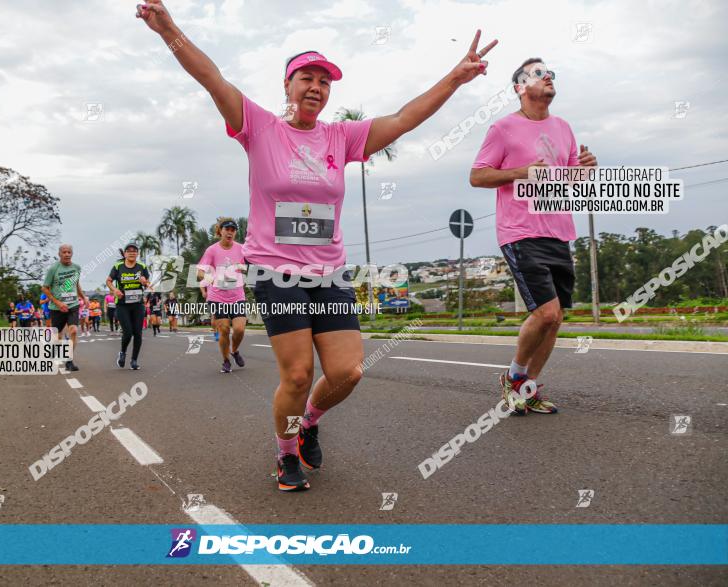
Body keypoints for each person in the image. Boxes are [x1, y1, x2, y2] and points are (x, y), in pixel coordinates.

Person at [137, 1, 496, 491]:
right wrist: (168, 29)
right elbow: (212, 78)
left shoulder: (341, 137)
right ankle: (285, 454)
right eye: (307, 78)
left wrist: (455, 78)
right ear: (288, 85)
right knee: (299, 373)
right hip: (274, 271)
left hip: (329, 273)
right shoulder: (260, 128)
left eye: (324, 82)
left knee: (348, 371)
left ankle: (308, 423)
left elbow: (406, 117)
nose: (316, 88)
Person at [470, 57, 597, 415]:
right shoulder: (502, 129)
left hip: (559, 231)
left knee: (556, 319)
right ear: (520, 88)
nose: (549, 77)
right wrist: (520, 172)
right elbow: (477, 176)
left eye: (551, 73)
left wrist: (583, 170)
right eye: (540, 73)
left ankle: (526, 389)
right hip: (520, 232)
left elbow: (568, 180)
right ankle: (513, 378)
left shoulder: (564, 128)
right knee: (545, 313)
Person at [197, 218, 246, 373]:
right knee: (224, 329)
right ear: (220, 231)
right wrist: (212, 278)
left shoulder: (241, 249)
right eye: (227, 229)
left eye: (233, 230)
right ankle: (226, 360)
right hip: (217, 296)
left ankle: (234, 350)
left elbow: (246, 266)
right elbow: (199, 272)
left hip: (237, 294)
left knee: (239, 330)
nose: (230, 232)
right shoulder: (212, 250)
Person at [42, 243, 87, 372]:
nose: (67, 254)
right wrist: (57, 302)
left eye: (69, 252)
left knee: (73, 331)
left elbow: (76, 284)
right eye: (64, 252)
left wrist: (83, 297)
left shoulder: (76, 268)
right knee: (58, 337)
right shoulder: (53, 269)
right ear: (59, 254)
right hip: (57, 308)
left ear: (72, 254)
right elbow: (44, 288)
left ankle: (69, 360)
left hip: (73, 304)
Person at [107, 242, 150, 370]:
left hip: (137, 304)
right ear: (125, 253)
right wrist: (115, 290)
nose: (132, 252)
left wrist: (145, 282)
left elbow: (148, 284)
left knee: (138, 333)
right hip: (122, 305)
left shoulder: (142, 266)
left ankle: (134, 360)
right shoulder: (118, 266)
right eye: (129, 250)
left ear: (137, 254)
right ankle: (122, 352)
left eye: (134, 251)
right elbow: (108, 281)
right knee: (128, 332)